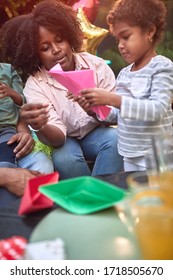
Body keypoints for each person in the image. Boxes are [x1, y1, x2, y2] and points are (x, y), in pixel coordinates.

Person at [0, 0, 123, 180]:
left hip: (95, 131)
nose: (56, 50)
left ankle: (100, 193)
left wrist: (94, 109)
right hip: (64, 140)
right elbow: (57, 139)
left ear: (69, 37)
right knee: (65, 157)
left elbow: (115, 115)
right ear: (36, 54)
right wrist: (40, 125)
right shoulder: (35, 84)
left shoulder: (96, 65)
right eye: (45, 48)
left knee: (116, 138)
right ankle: (85, 199)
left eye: (60, 40)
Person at [80, 0, 173, 171]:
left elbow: (158, 110)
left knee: (156, 197)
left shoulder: (161, 67)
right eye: (117, 39)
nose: (121, 45)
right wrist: (94, 109)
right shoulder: (124, 74)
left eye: (126, 36)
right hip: (129, 154)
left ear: (150, 31)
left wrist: (114, 99)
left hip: (157, 156)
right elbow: (117, 115)